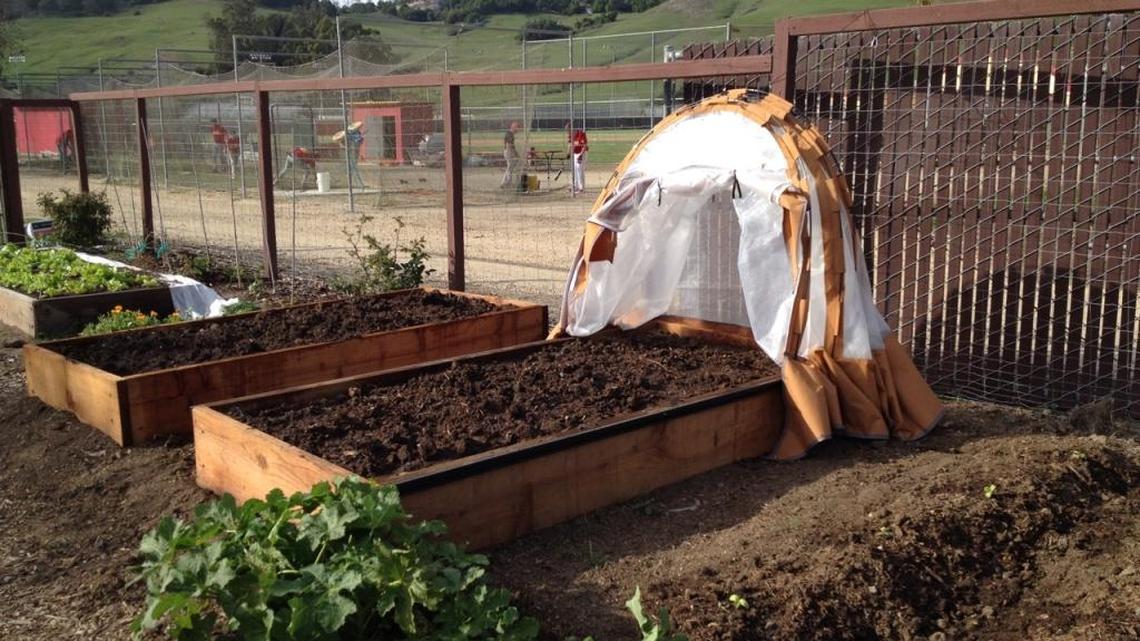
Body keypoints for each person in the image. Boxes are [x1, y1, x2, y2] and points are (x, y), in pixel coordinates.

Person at [338, 122, 366, 189]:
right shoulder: (348, 134)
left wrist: (359, 139)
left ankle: (356, 183)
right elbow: (342, 143)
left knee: (353, 166)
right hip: (349, 152)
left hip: (353, 151)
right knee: (351, 167)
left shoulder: (356, 134)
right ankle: (355, 183)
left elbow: (359, 141)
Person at [499, 121, 521, 190]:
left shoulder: (511, 134)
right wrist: (513, 153)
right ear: (513, 127)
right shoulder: (509, 134)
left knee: (511, 167)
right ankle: (506, 183)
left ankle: (506, 183)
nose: (518, 130)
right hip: (508, 152)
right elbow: (508, 145)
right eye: (517, 128)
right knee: (510, 167)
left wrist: (516, 153)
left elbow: (512, 146)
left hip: (510, 152)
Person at [569, 127, 589, 194]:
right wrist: (569, 153)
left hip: (582, 153)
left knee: (579, 169)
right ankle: (575, 186)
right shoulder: (571, 135)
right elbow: (571, 145)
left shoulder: (581, 134)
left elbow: (584, 146)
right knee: (575, 170)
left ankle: (581, 188)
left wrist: (580, 155)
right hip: (575, 154)